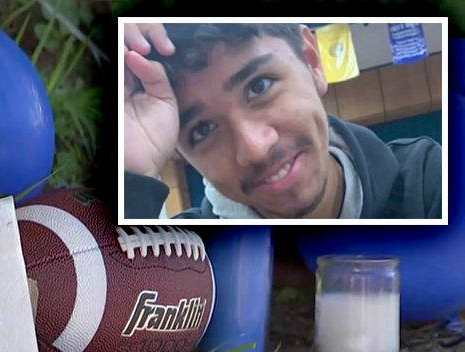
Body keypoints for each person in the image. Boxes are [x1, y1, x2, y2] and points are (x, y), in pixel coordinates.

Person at [123, 23, 442, 220]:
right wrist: (129, 174)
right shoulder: (181, 263)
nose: (255, 148)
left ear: (312, 61)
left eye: (258, 86)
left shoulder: (434, 184)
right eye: (203, 130)